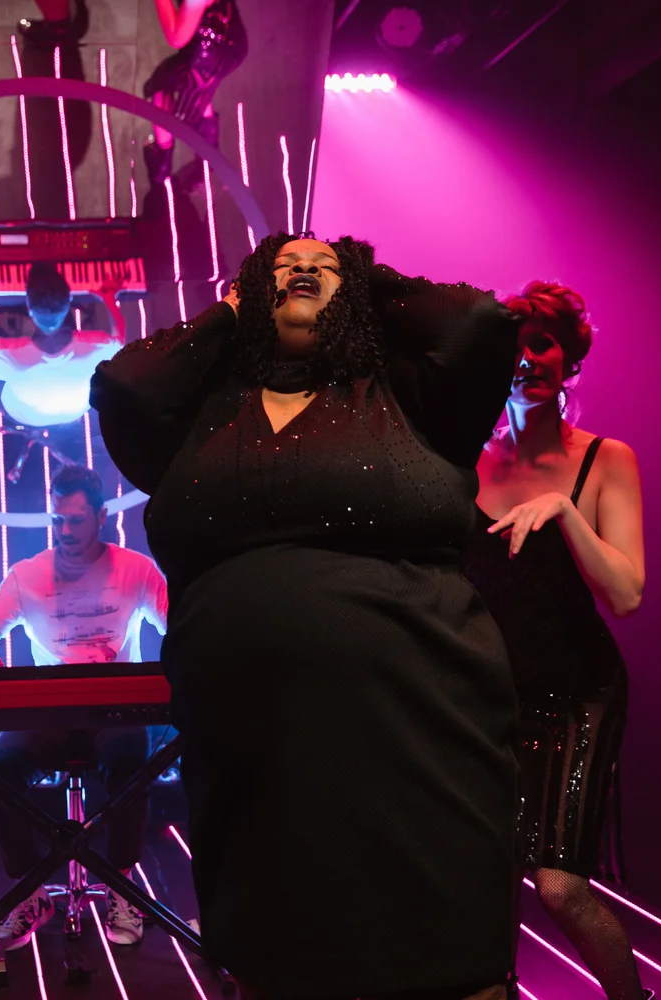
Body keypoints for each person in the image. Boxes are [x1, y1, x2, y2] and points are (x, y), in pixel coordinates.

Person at [91, 234, 522, 1000]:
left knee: (442, 960)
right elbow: (125, 385)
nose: (303, 270)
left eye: (324, 267)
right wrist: (228, 312)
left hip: (419, 733)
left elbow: (479, 323)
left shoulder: (409, 394)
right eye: (283, 265)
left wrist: (362, 276)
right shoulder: (202, 415)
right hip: (253, 754)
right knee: (276, 962)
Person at [463, 282, 650, 1000]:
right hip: (487, 693)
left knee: (560, 887)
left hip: (578, 693)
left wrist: (565, 512)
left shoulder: (606, 458)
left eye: (541, 343)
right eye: (513, 345)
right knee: (483, 877)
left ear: (568, 357)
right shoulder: (464, 464)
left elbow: (627, 594)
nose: (526, 358)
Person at [0, 464, 169, 950]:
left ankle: (119, 886)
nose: (65, 531)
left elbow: (176, 623)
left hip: (114, 707)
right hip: (50, 709)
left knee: (129, 768)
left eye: (75, 520)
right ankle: (30, 892)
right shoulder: (27, 574)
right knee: (0, 774)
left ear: (101, 517)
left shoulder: (135, 569)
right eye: (57, 520)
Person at [0, 262, 128, 427]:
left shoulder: (12, 355)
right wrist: (110, 297)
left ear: (29, 309)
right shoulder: (96, 347)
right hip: (75, 409)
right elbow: (120, 340)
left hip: (25, 414)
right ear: (68, 303)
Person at [143, 0, 247, 187]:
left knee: (163, 89)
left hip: (209, 52)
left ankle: (161, 169)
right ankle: (208, 159)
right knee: (199, 90)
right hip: (227, 36)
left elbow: (176, 37)